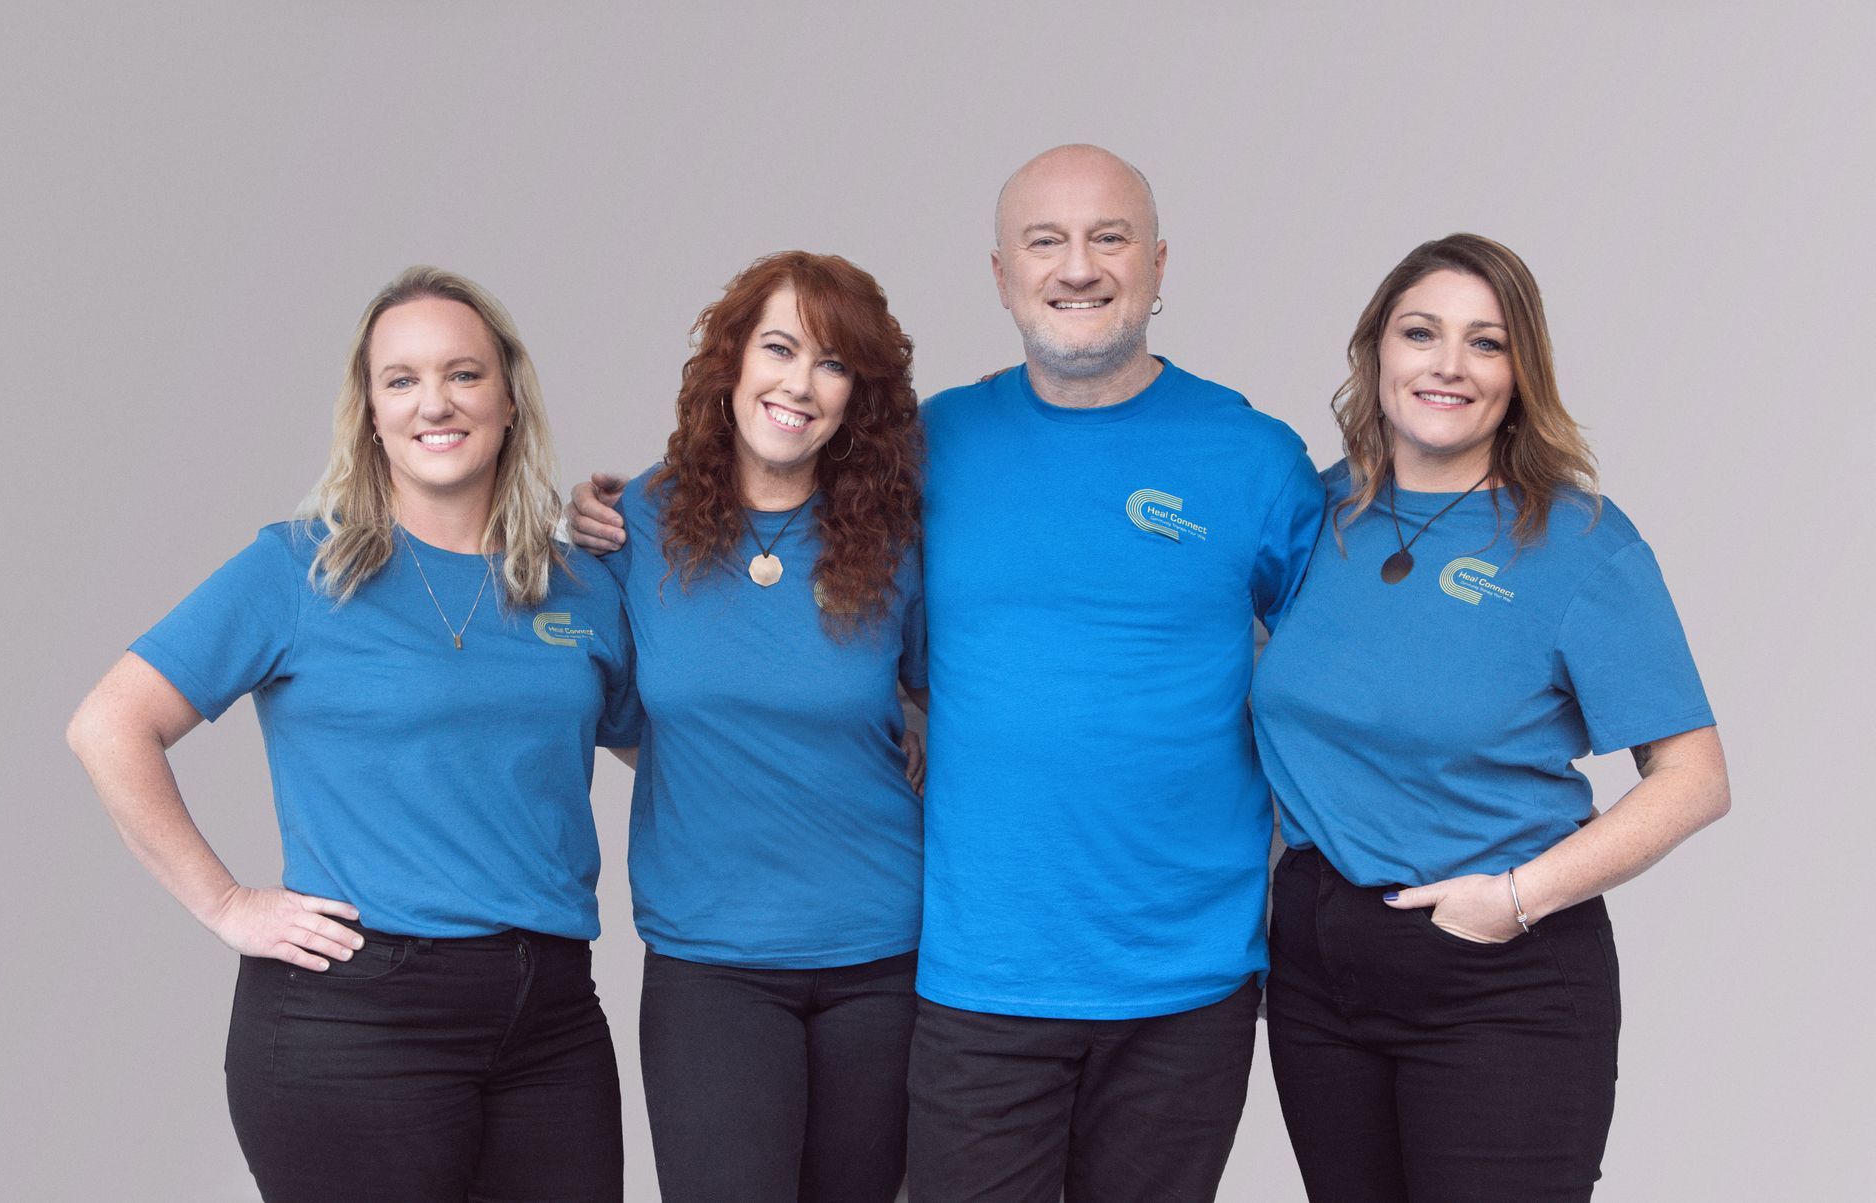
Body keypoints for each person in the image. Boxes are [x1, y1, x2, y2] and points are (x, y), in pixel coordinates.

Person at [569, 143, 1326, 1202]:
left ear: (1157, 263)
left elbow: (1344, 666)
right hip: (977, 971)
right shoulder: (939, 448)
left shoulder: (1254, 457)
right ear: (1001, 273)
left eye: (1107, 238)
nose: (1077, 266)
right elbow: (754, 554)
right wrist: (603, 513)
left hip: (1181, 970)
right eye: (1044, 241)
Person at [66, 266, 637, 1203]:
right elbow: (108, 725)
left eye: (463, 373)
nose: (435, 402)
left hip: (552, 1016)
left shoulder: (578, 587)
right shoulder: (298, 567)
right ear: (370, 413)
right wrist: (224, 904)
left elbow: (677, 742)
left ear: (508, 401)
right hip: (360, 1020)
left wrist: (893, 720)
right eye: (401, 380)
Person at [1251, 233, 1730, 1202]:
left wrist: (1510, 904)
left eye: (1487, 342)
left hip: (1499, 976)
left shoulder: (1579, 543)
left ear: (1521, 372)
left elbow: (1695, 779)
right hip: (1316, 963)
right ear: (1375, 351)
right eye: (1421, 332)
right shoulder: (1317, 517)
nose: (1448, 366)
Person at [600, 251, 927, 1202]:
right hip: (712, 964)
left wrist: (914, 730)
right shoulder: (635, 525)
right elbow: (615, 711)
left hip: (884, 956)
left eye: (833, 365)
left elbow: (952, 690)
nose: (799, 383)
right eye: (779, 348)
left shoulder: (897, 533)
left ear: (857, 397)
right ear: (732, 363)